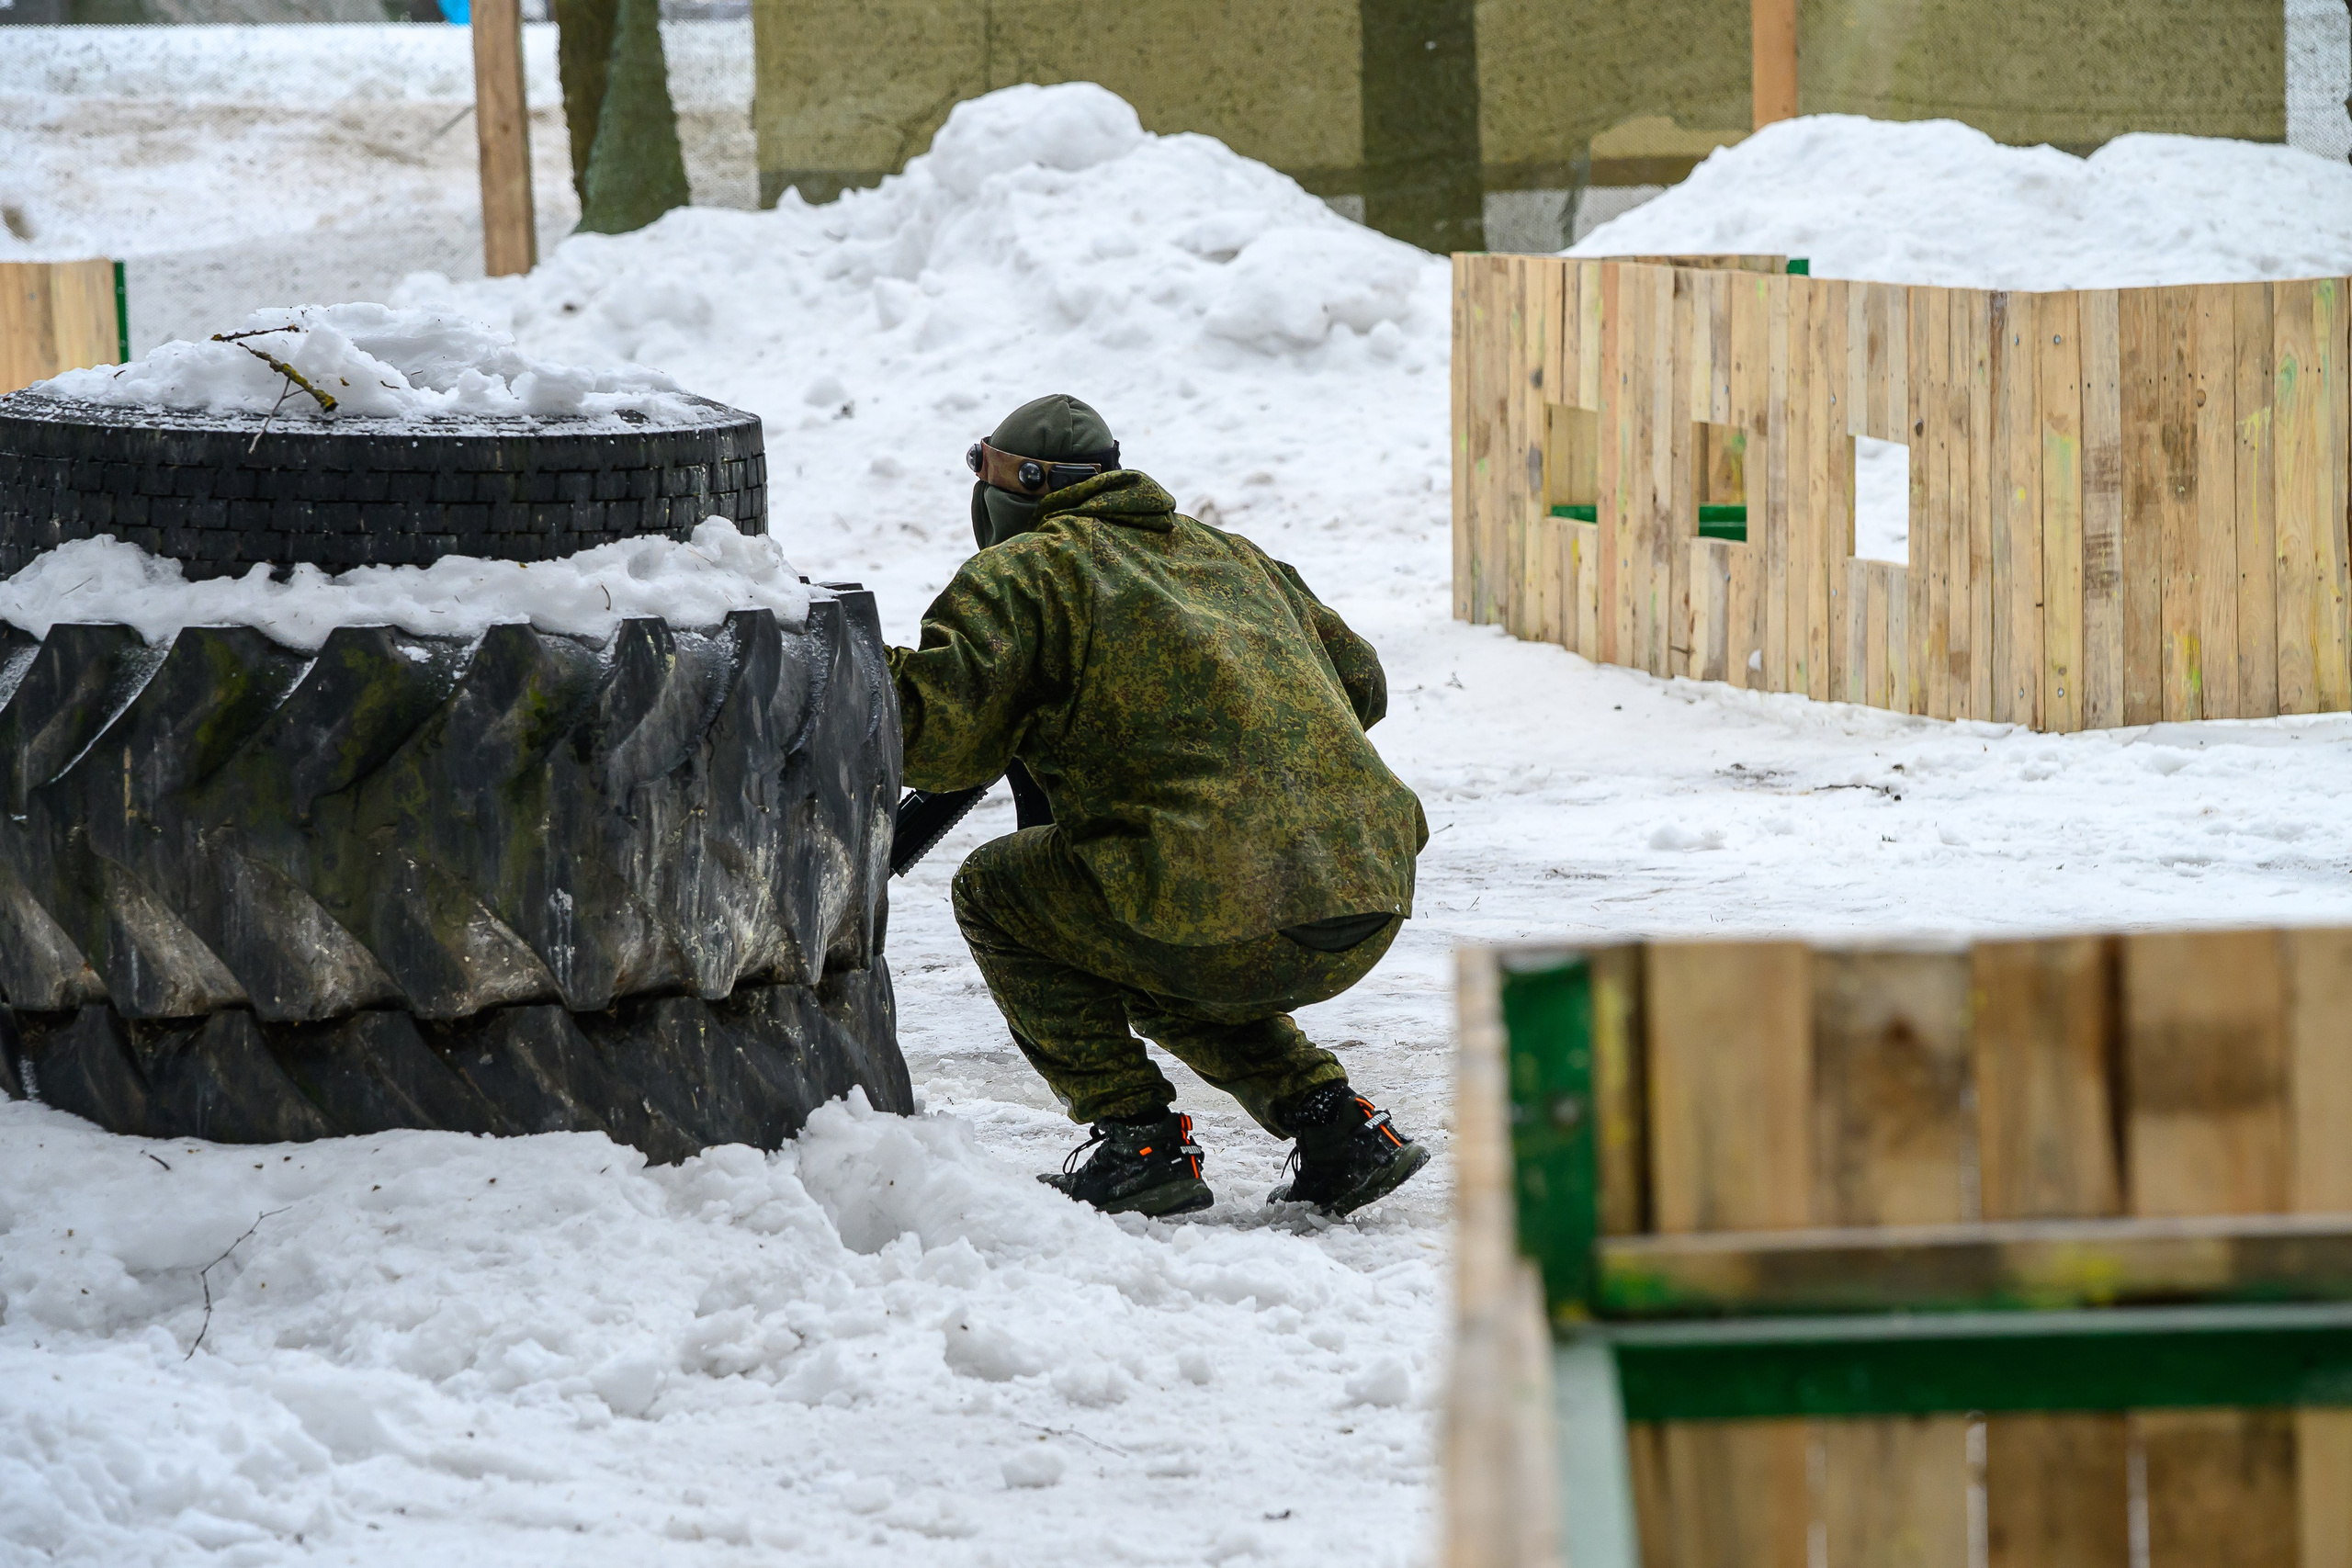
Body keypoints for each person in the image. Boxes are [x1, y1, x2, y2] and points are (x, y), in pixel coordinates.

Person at [887, 393, 1432, 1219]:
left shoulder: (1028, 572)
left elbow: (933, 733)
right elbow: (1361, 682)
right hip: (1368, 893)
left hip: (1229, 904)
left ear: (1019, 487)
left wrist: (833, 651)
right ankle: (1336, 1122)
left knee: (998, 893)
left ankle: (1136, 1138)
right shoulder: (1231, 555)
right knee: (1144, 916)